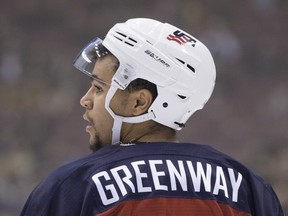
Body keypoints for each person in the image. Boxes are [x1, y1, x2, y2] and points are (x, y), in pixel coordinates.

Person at [20, 18, 284, 216]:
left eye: (99, 88)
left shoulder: (72, 186)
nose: (85, 99)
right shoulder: (249, 187)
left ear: (139, 102)